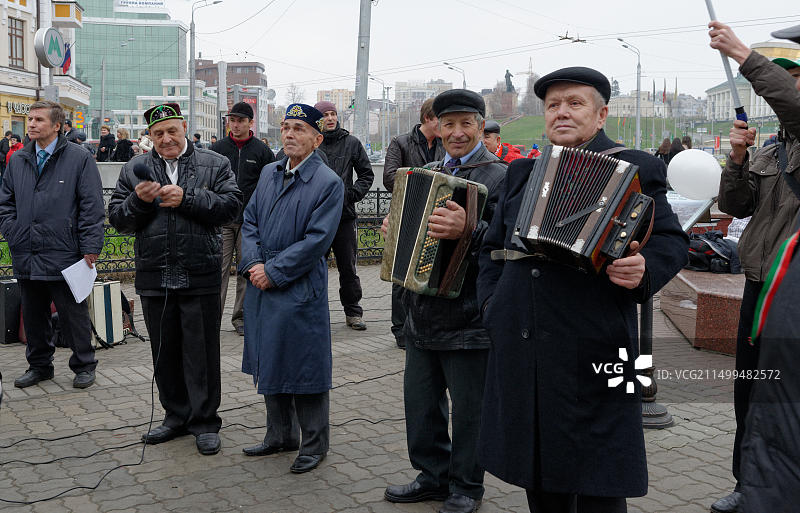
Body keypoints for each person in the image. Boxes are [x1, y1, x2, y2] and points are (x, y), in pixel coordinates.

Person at [476, 67, 688, 513]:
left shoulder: (638, 167)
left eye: (575, 103)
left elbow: (671, 239)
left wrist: (644, 268)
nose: (561, 113)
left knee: (602, 476)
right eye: (553, 105)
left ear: (601, 114)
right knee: (539, 471)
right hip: (525, 339)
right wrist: (492, 306)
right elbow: (491, 249)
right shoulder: (521, 172)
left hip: (597, 339)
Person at [382, 90, 506, 513]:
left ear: (479, 126)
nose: (455, 133)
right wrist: (393, 225)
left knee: (469, 411)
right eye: (447, 124)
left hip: (470, 314)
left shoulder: (502, 176)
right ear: (435, 126)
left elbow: (510, 244)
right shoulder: (426, 171)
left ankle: (467, 487)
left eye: (465, 124)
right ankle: (432, 476)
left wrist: (468, 227)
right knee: (421, 405)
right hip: (421, 311)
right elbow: (412, 233)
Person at [108, 102, 241, 456]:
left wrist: (188, 197)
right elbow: (118, 221)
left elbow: (231, 207)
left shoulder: (215, 163)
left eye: (171, 131)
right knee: (164, 351)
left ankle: (205, 422)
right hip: (155, 274)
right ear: (149, 136)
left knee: (202, 353)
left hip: (200, 272)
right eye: (158, 133)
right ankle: (175, 417)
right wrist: (138, 201)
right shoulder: (136, 168)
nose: (165, 139)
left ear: (184, 128)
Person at [708, 20, 800, 513]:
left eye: (797, 77)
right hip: (757, 285)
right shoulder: (771, 149)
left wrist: (744, 54)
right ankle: (748, 483)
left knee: (784, 400)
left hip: (792, 295)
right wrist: (739, 159)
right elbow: (734, 205)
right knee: (749, 394)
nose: (792, 86)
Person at [238, 104, 343, 474]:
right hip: (262, 282)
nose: (289, 135)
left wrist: (275, 271)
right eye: (285, 127)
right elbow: (248, 221)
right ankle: (279, 435)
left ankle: (315, 444)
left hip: (297, 286)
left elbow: (317, 241)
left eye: (299, 128)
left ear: (317, 138)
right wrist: (252, 264)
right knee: (270, 358)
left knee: (305, 366)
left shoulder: (327, 182)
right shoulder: (268, 172)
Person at [0, 100, 105, 390]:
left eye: (38, 120)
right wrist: (13, 230)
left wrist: (91, 246)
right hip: (27, 248)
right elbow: (5, 202)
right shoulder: (18, 158)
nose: (31, 124)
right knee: (33, 314)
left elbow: (92, 205)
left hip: (65, 250)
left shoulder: (78, 158)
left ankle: (84, 365)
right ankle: (39, 366)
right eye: (30, 119)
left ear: (57, 125)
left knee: (73, 313)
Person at [382, 97, 444, 348]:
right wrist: (424, 181)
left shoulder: (443, 143)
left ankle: (424, 324)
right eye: (442, 118)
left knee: (428, 268)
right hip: (406, 211)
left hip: (434, 213)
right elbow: (388, 178)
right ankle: (400, 329)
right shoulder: (400, 142)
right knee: (401, 273)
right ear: (428, 118)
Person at [210, 101, 275, 336]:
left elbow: (271, 185)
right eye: (232, 120)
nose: (235, 124)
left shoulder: (262, 151)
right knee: (218, 270)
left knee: (247, 272)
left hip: (250, 222)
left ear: (250, 123)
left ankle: (241, 318)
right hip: (222, 221)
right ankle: (212, 318)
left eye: (240, 120)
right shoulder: (217, 148)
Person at [313, 100, 374, 330]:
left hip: (344, 217)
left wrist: (350, 195)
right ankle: (315, 313)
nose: (330, 118)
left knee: (348, 268)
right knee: (314, 267)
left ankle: (353, 312)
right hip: (316, 217)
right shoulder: (312, 143)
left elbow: (366, 174)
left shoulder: (351, 143)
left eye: (333, 114)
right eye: (325, 115)